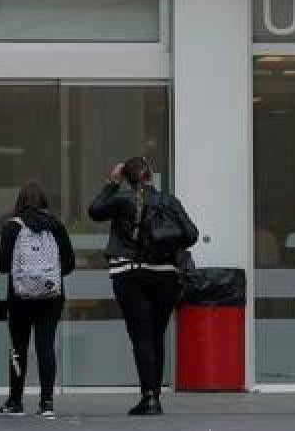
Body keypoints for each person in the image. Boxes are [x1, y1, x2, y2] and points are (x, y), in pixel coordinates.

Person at [88, 157, 197, 416]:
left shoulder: (122, 199)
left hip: (131, 275)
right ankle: (154, 397)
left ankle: (149, 397)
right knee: (156, 336)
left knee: (141, 337)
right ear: (151, 176)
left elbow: (94, 210)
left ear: (127, 177)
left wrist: (111, 183)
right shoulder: (168, 201)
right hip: (166, 276)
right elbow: (191, 234)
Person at [0, 181, 75, 418]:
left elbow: (1, 266)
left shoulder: (12, 227)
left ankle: (15, 401)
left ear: (20, 201)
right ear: (44, 201)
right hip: (51, 298)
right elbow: (69, 264)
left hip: (19, 298)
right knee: (46, 346)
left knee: (18, 349)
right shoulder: (57, 226)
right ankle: (47, 402)